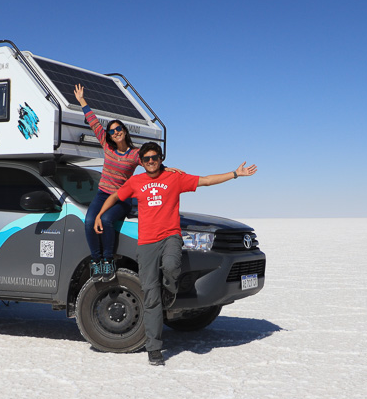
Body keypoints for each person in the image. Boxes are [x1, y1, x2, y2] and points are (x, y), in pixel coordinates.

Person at [94, 142, 257, 366]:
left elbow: (207, 180)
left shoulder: (174, 178)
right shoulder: (136, 181)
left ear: (161, 158)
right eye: (147, 159)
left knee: (171, 266)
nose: (151, 161)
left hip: (170, 236)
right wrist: (99, 215)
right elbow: (114, 197)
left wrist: (235, 174)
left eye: (155, 157)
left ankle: (169, 291)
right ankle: (154, 348)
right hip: (147, 243)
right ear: (141, 162)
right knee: (150, 298)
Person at [73, 84, 180, 281]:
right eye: (112, 130)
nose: (115, 132)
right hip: (103, 194)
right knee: (89, 222)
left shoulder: (134, 154)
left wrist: (166, 169)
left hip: (121, 198)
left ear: (124, 130)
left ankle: (108, 260)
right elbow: (93, 122)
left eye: (118, 128)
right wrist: (82, 100)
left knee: (106, 220)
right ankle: (96, 262)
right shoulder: (107, 146)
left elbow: (151, 164)